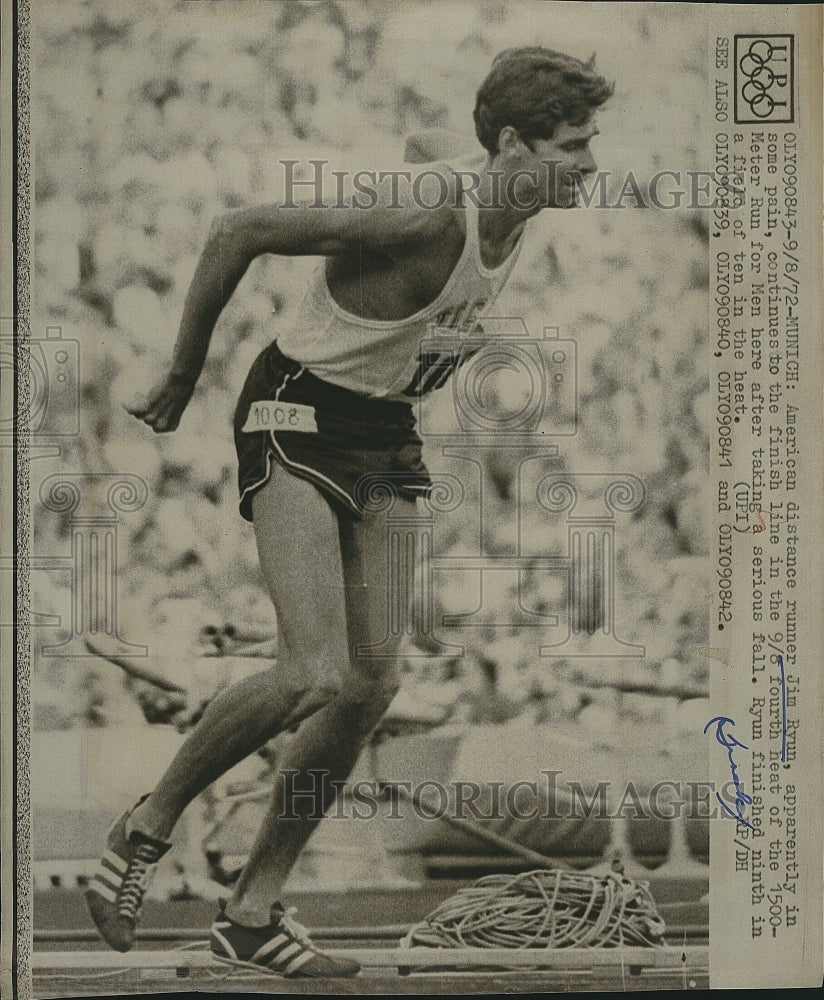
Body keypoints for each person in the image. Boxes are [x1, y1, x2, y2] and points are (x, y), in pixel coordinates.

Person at [85, 46, 612, 978]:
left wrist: (439, 153)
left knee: (374, 683)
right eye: (573, 146)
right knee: (312, 672)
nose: (591, 163)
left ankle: (250, 912)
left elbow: (431, 136)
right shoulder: (420, 215)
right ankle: (147, 824)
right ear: (517, 144)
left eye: (592, 142)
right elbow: (236, 228)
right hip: (295, 408)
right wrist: (180, 372)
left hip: (385, 429)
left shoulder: (504, 184)